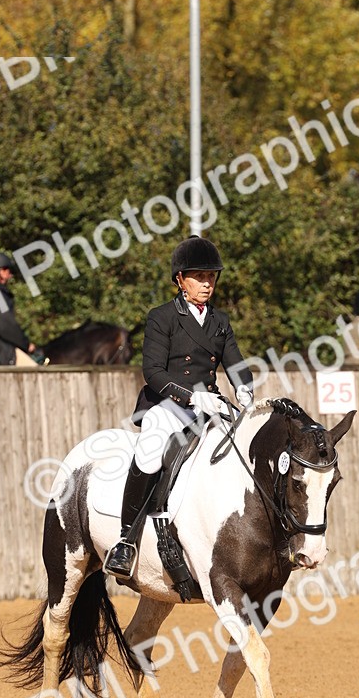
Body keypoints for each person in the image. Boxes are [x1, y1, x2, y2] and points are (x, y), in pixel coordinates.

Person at [103, 236, 253, 579]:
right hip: (170, 405)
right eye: (199, 277)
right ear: (180, 279)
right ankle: (126, 540)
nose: (207, 283)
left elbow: (235, 362)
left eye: (211, 277)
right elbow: (153, 372)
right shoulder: (162, 317)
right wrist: (192, 396)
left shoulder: (220, 320)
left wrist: (244, 388)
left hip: (211, 405)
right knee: (150, 450)